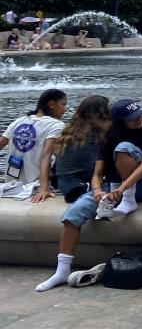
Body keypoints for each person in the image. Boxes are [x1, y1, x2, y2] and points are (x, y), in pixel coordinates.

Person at [31, 95, 112, 290]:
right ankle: (62, 270)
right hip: (83, 188)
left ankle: (62, 270)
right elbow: (98, 169)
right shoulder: (99, 135)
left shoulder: (69, 131)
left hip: (66, 188)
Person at [95, 99, 142, 220]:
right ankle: (113, 201)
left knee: (123, 147)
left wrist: (122, 188)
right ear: (120, 123)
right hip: (117, 186)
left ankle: (128, 200)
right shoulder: (108, 137)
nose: (140, 118)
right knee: (80, 207)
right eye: (133, 118)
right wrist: (97, 190)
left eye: (139, 114)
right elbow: (98, 173)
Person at [2, 88, 68, 185]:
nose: (65, 109)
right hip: (35, 184)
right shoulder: (56, 125)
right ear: (51, 105)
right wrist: (43, 188)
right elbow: (46, 156)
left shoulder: (19, 121)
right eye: (63, 104)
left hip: (11, 183)